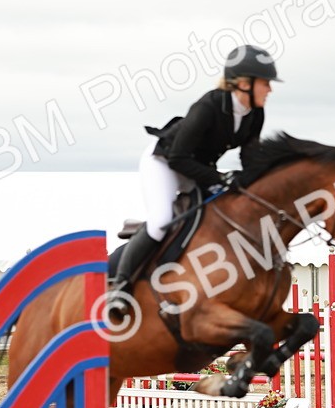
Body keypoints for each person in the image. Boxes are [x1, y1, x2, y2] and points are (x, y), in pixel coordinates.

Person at [107, 44, 281, 314]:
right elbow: (178, 158)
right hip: (164, 163)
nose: (269, 89)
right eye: (265, 83)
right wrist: (220, 177)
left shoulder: (255, 114)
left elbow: (249, 158)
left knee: (219, 218)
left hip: (197, 168)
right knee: (162, 221)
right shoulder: (209, 106)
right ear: (244, 84)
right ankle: (120, 285)